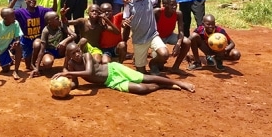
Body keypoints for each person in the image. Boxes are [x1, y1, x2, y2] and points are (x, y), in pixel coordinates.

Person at [54, 43, 195, 94]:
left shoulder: (86, 56)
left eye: (78, 50)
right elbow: (76, 83)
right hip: (110, 82)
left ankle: (178, 83)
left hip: (113, 70)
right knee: (141, 89)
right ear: (69, 55)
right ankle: (163, 87)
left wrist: (67, 72)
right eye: (73, 53)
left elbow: (89, 72)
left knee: (145, 78)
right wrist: (64, 87)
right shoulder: (72, 64)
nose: (77, 54)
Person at [122, 0, 170, 75]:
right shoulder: (129, 3)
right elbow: (124, 20)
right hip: (138, 40)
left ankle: (153, 63)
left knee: (164, 54)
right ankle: (142, 65)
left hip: (152, 35)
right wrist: (124, 23)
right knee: (141, 72)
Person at [9, 0, 57, 70]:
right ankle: (29, 60)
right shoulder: (21, 12)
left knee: (40, 50)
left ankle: (36, 61)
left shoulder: (40, 10)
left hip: (39, 39)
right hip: (26, 40)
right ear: (25, 0)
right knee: (28, 66)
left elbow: (53, 11)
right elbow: (8, 13)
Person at [30, 11, 76, 77]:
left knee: (71, 46)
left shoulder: (61, 25)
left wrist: (64, 41)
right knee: (47, 63)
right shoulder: (45, 31)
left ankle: (65, 67)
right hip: (50, 51)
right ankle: (34, 65)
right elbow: (42, 50)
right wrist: (37, 68)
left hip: (61, 50)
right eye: (57, 19)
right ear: (49, 22)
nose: (59, 20)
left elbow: (74, 35)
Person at [154, 0, 191, 73]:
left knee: (187, 42)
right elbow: (150, 29)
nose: (175, 7)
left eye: (176, 4)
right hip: (157, 38)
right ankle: (155, 64)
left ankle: (175, 67)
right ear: (164, 5)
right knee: (160, 63)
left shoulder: (178, 14)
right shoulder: (158, 12)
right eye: (172, 5)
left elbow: (181, 31)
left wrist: (178, 44)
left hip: (169, 35)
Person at [0, 7, 23, 80]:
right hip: (0, 47)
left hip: (10, 43)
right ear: (5, 18)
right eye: (12, 16)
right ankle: (9, 60)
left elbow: (17, 37)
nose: (15, 17)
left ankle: (16, 71)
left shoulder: (15, 23)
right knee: (5, 70)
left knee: (19, 46)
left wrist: (17, 42)